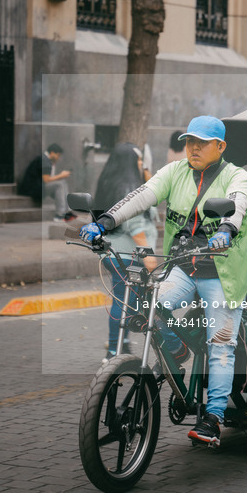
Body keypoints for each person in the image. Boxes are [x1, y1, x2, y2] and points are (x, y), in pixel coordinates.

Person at [80, 115, 247, 446]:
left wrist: (226, 230)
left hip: (223, 273)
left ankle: (213, 418)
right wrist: (104, 222)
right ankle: (178, 349)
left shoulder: (236, 176)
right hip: (183, 268)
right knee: (148, 310)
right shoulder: (175, 172)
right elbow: (142, 195)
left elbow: (238, 204)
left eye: (201, 142)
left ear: (220, 146)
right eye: (189, 141)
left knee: (220, 346)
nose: (193, 148)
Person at [94, 143, 158, 360]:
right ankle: (115, 350)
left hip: (113, 254)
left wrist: (147, 174)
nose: (142, 164)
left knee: (127, 301)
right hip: (129, 255)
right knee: (125, 302)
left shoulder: (110, 182)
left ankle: (122, 344)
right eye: (139, 161)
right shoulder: (129, 185)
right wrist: (148, 255)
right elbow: (135, 225)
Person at [42, 144, 75, 222]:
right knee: (60, 184)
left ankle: (67, 211)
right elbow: (46, 180)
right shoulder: (44, 160)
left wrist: (61, 177)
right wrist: (61, 175)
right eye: (58, 155)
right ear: (52, 153)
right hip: (36, 189)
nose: (58, 158)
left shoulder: (48, 161)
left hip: (41, 187)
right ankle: (60, 214)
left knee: (62, 182)